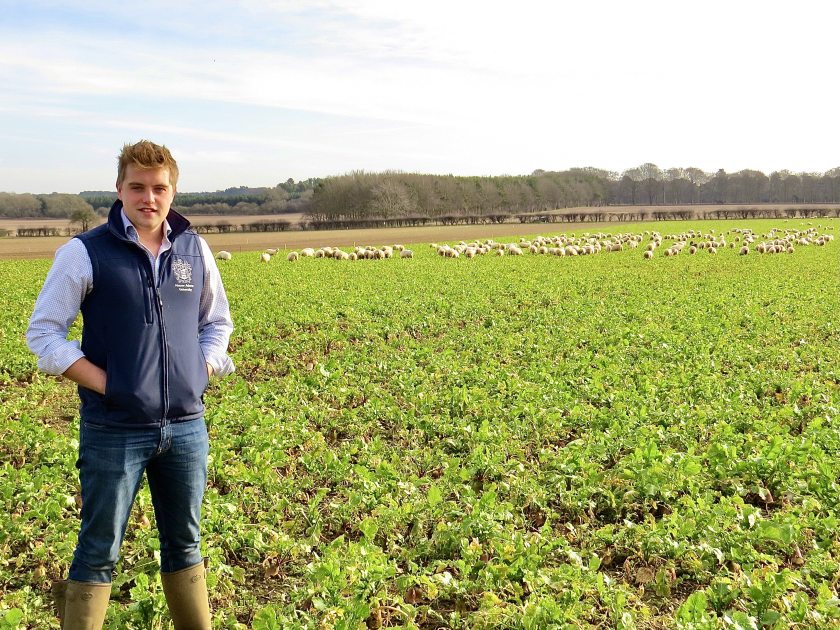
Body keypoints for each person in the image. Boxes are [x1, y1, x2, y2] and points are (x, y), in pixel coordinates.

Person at [27, 140, 234, 629]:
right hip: (114, 428)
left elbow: (216, 323)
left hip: (186, 427)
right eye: (137, 187)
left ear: (173, 190)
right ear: (119, 189)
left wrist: (198, 372)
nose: (149, 197)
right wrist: (108, 384)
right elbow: (44, 333)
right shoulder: (85, 252)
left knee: (186, 544)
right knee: (99, 548)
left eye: (159, 188)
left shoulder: (193, 248)